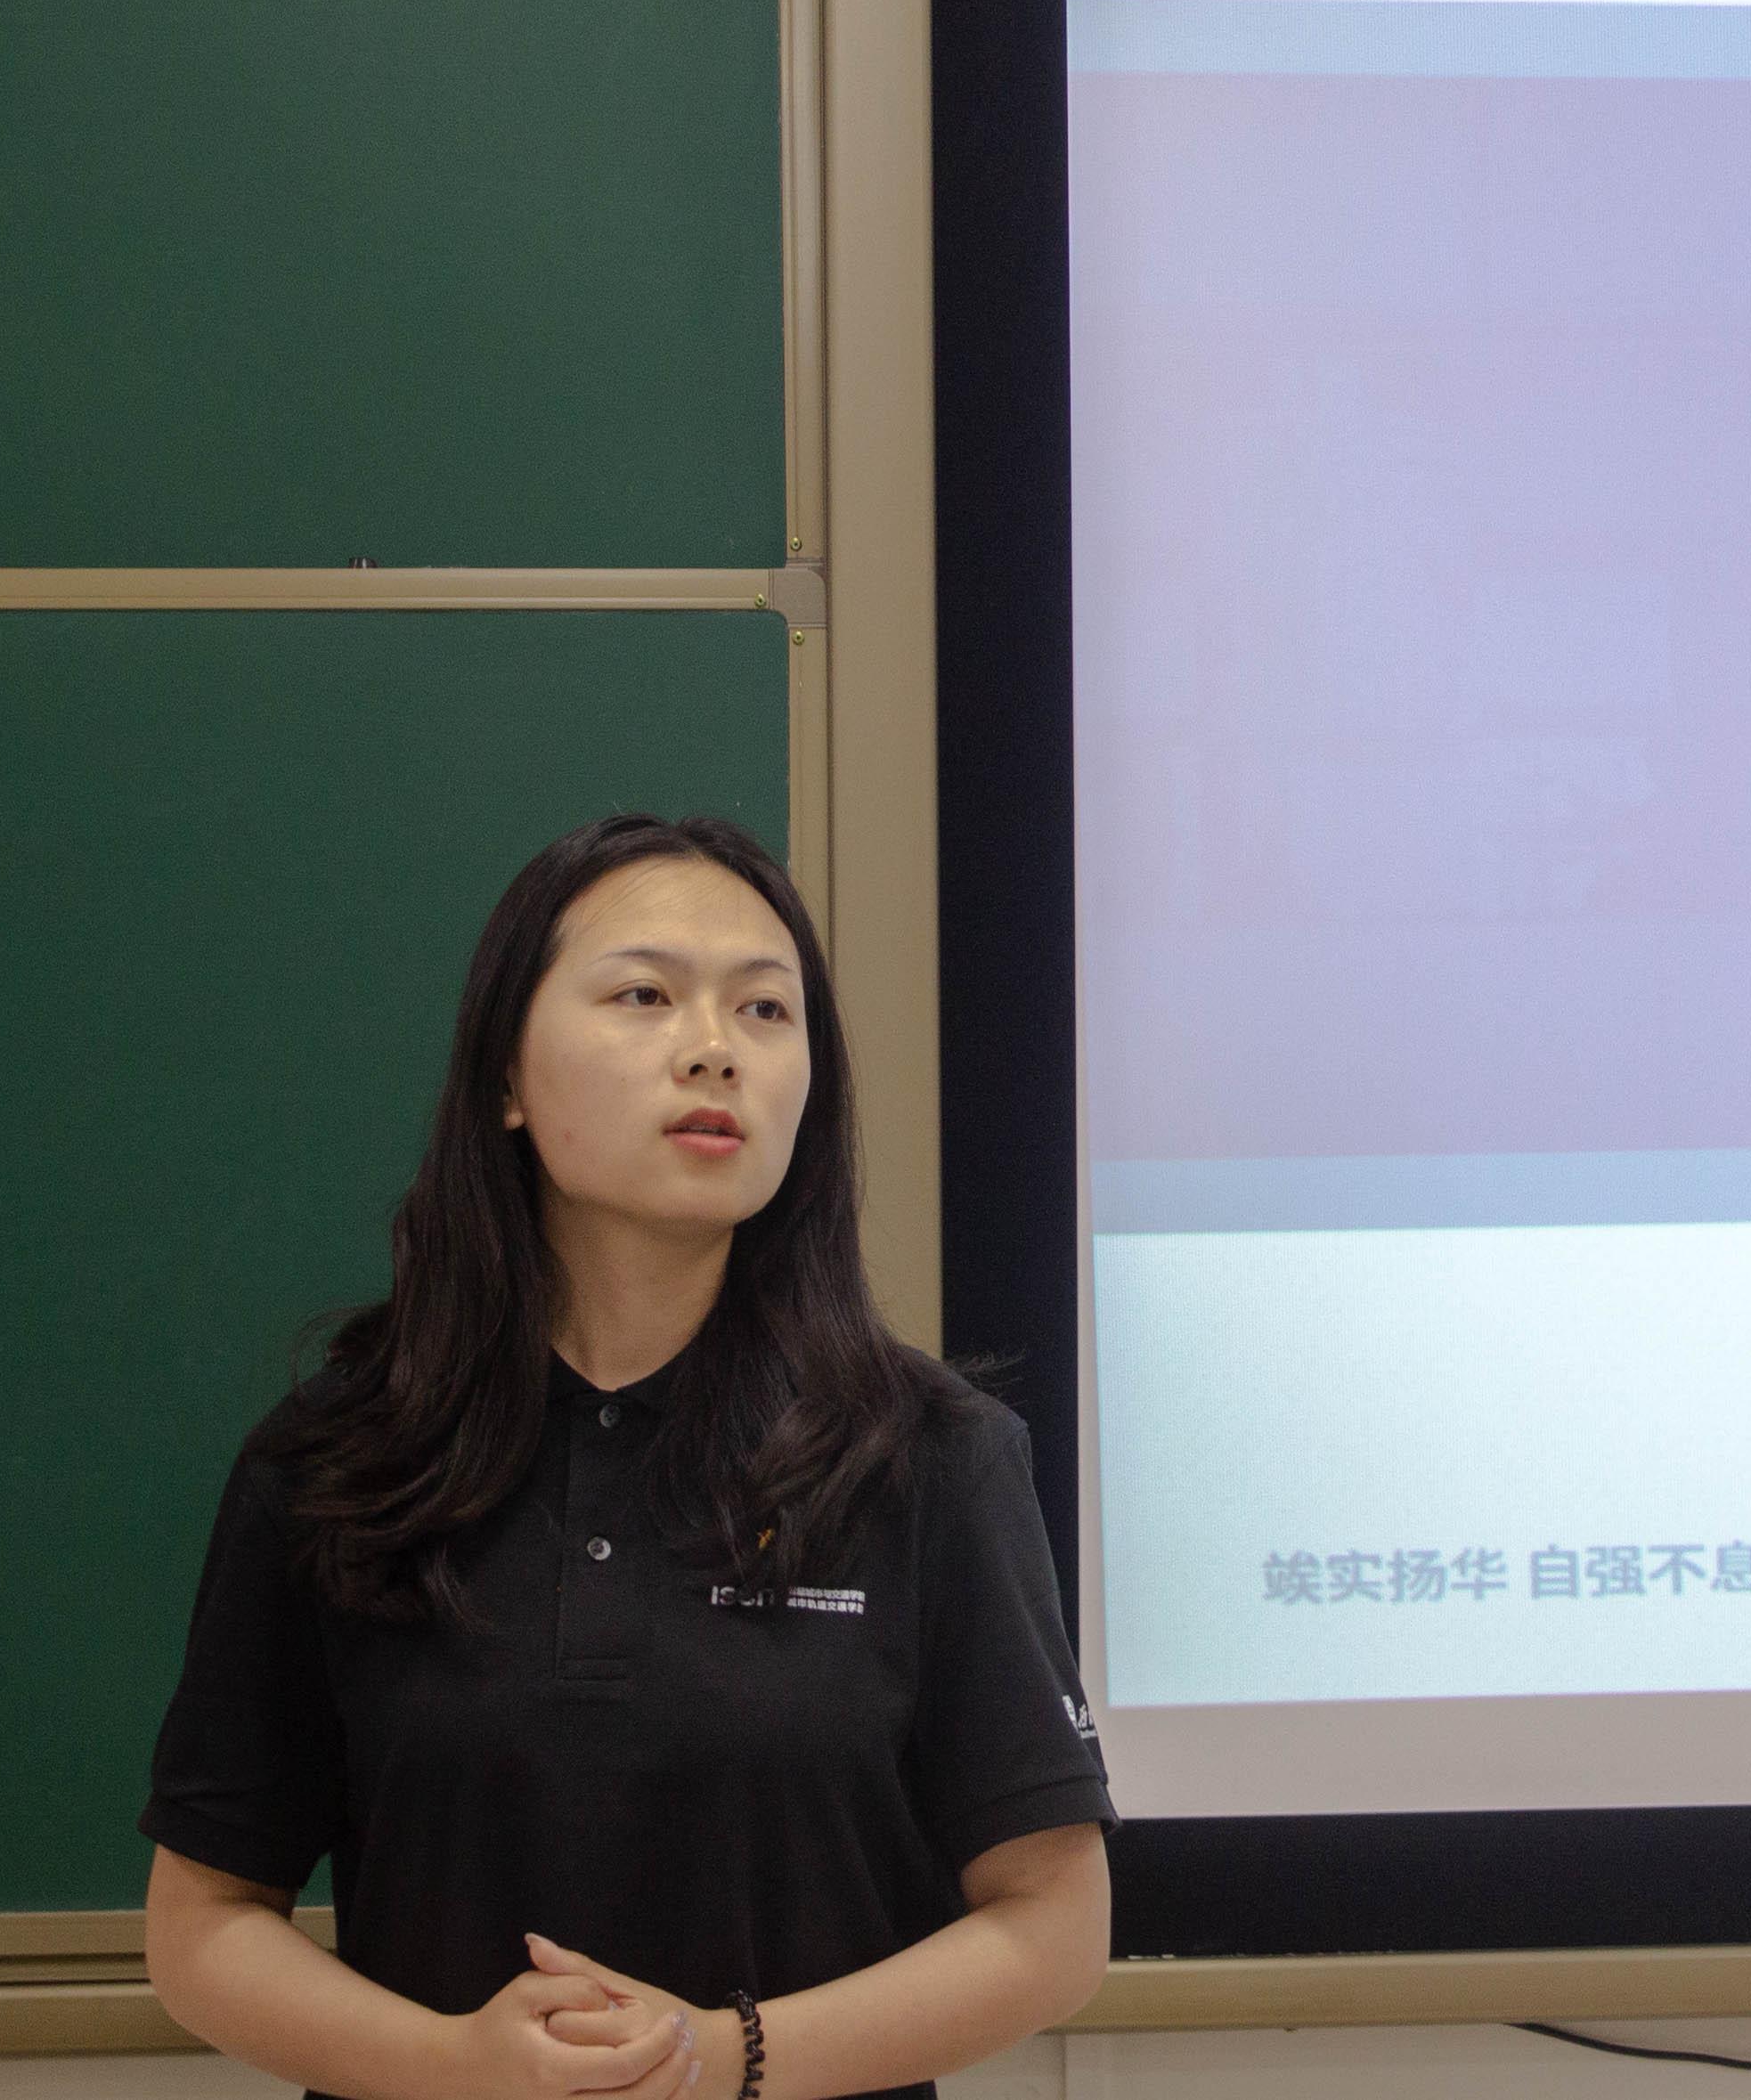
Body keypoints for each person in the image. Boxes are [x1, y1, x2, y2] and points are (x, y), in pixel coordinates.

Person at [143, 814, 1110, 2100]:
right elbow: (203, 1924)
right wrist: (457, 2066)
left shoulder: (930, 1457)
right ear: (506, 1075)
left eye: (766, 1010)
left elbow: (1052, 1919)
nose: (715, 1048)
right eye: (645, 995)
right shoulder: (342, 1460)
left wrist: (720, 2056)